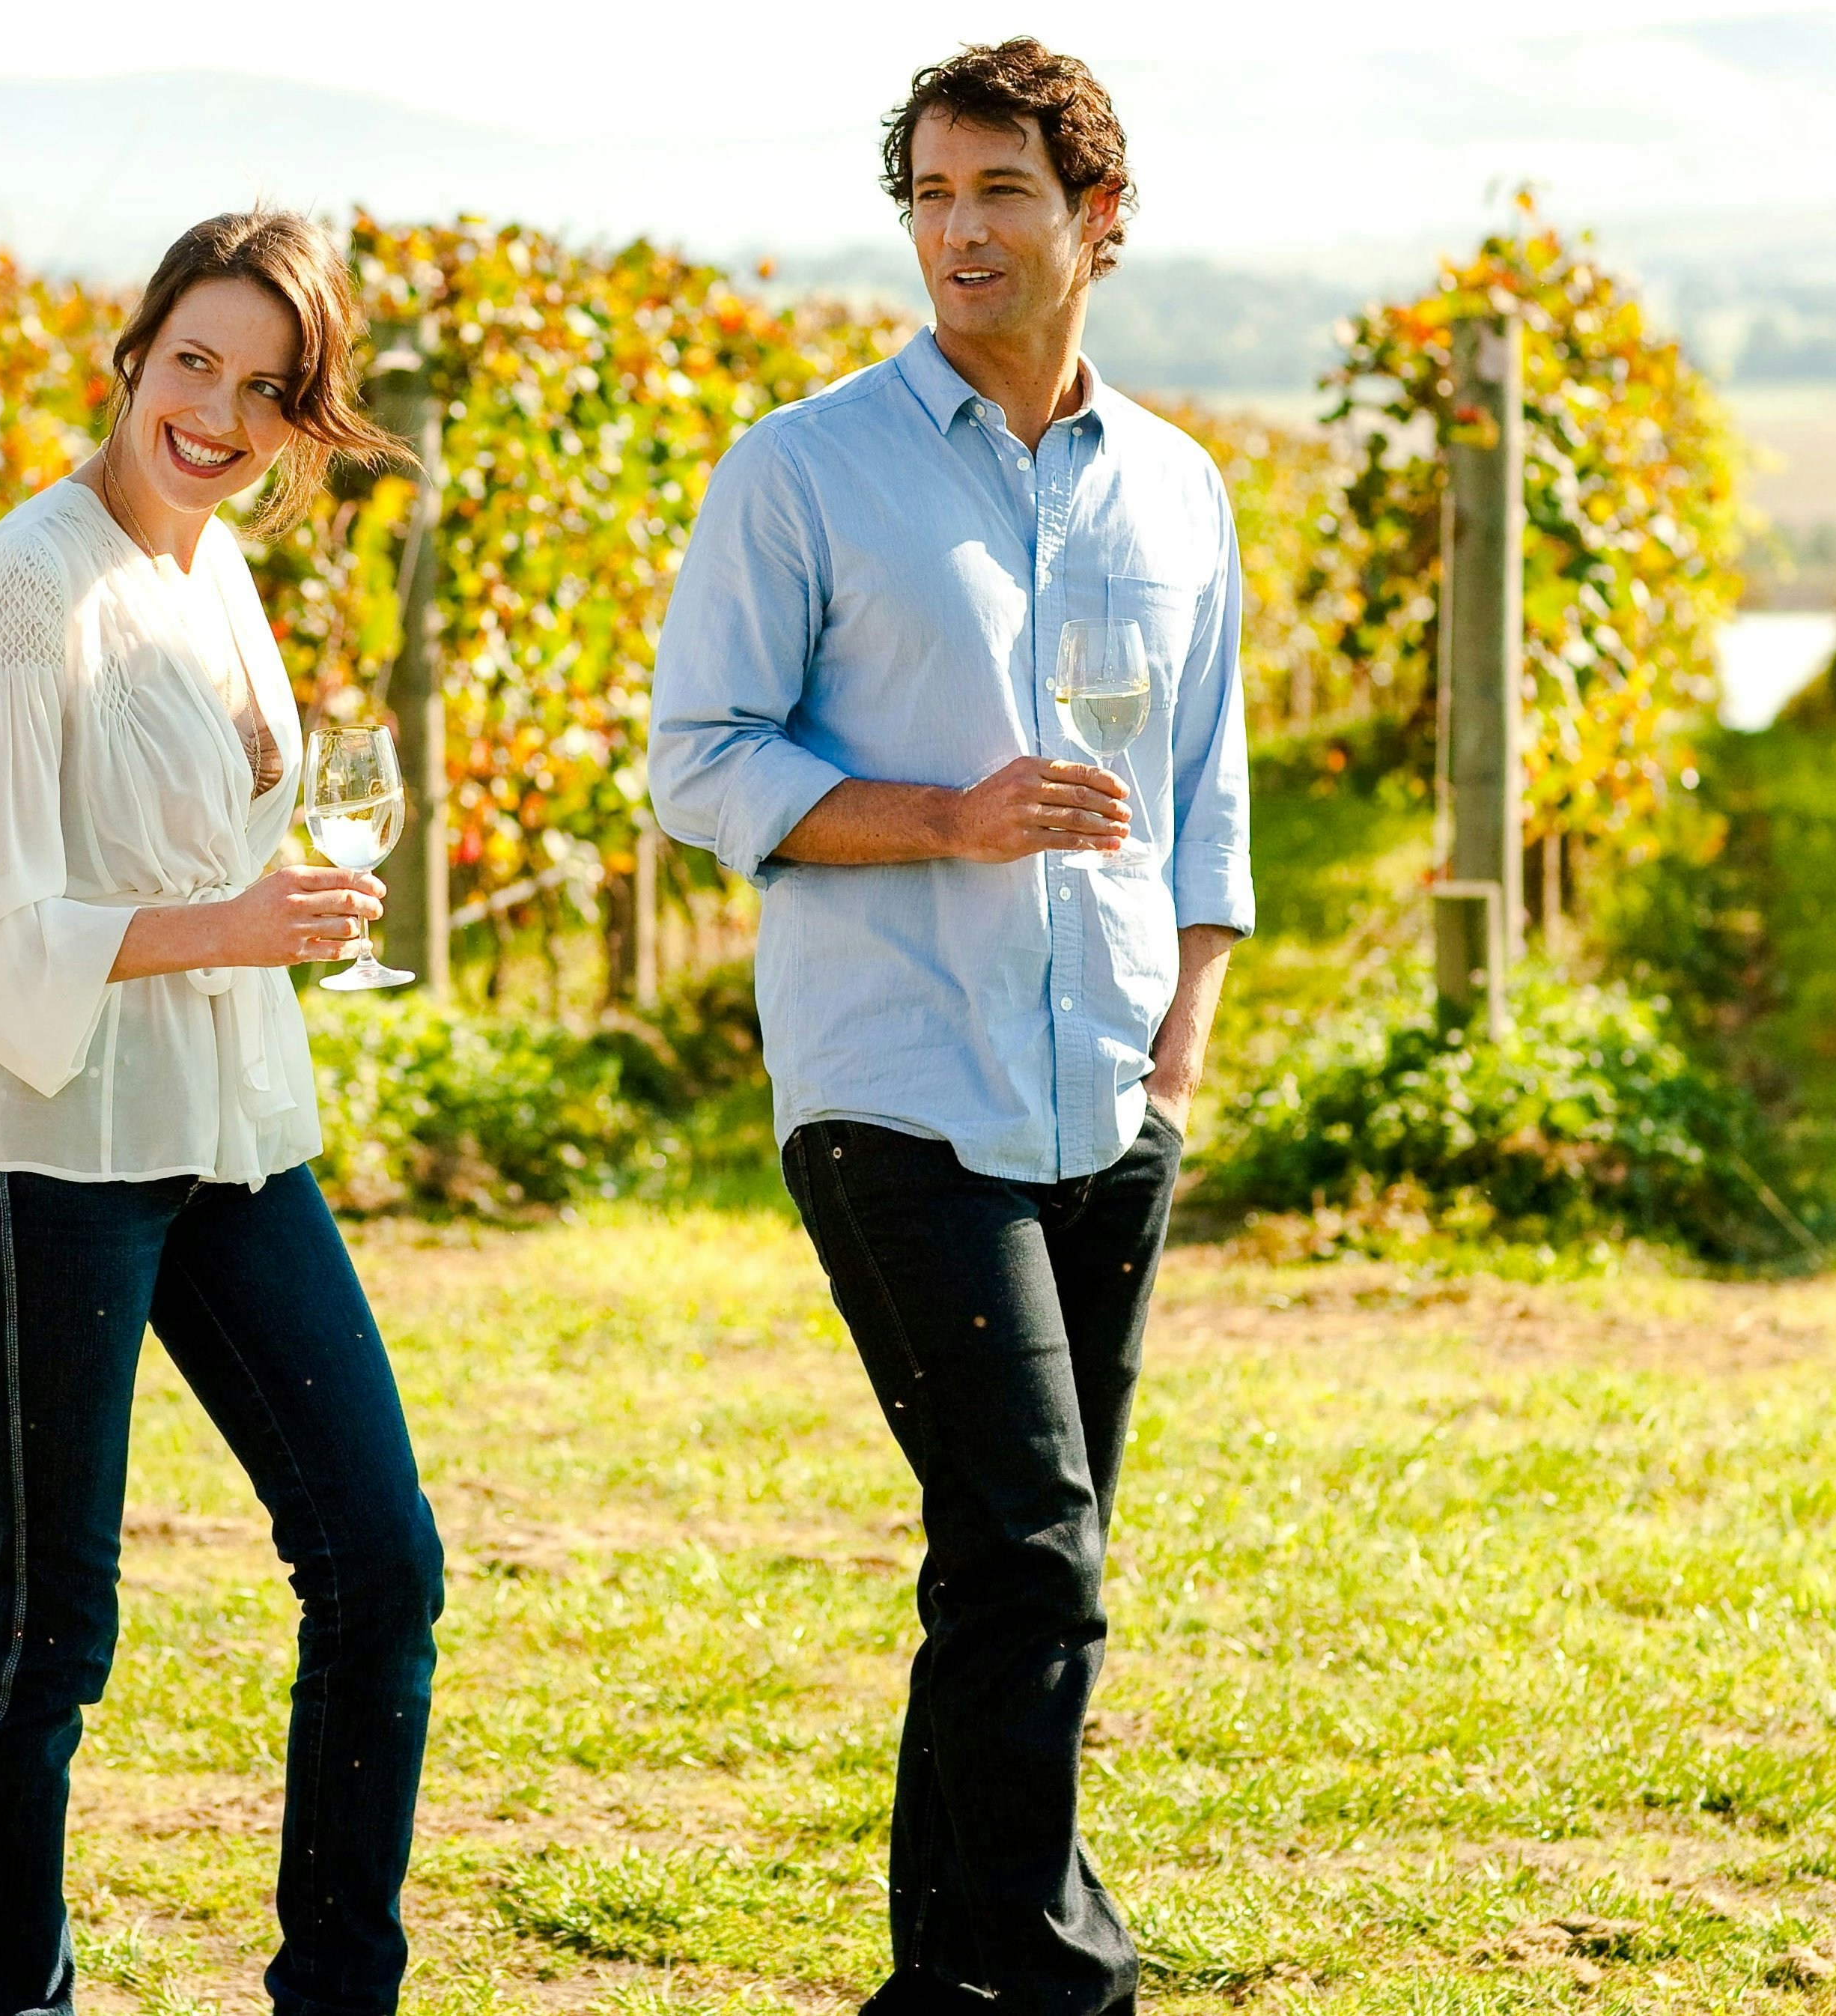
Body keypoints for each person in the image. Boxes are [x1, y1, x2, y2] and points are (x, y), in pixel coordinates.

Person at [647, 40, 1253, 2016]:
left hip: (1101, 1091)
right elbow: (697, 762)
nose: (955, 232)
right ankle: (1063, 1983)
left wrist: (1179, 1056)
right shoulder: (801, 468)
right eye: (926, 194)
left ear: (1095, 221)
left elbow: (1202, 792)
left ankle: (942, 1988)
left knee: (1004, 1566)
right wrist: (943, 814)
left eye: (997, 192)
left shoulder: (1174, 490)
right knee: (1030, 1539)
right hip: (889, 1081)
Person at [0, 210, 443, 2016]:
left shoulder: (215, 575)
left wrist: (266, 894)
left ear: (300, 422)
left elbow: (188, 842)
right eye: (194, 362)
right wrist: (229, 921)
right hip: (56, 1154)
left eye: (266, 388)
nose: (216, 410)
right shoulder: (28, 582)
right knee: (50, 1622)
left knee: (380, 1556)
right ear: (132, 358)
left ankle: (337, 1989)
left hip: (231, 1137)